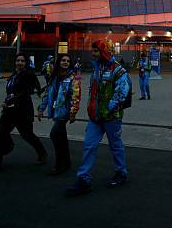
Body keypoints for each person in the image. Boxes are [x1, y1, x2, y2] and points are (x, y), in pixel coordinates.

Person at [66, 40, 130, 196]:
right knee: (89, 145)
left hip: (111, 117)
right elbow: (93, 91)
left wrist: (108, 108)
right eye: (93, 51)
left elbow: (122, 92)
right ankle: (84, 179)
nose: (93, 54)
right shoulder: (96, 69)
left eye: (95, 51)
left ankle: (121, 172)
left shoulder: (118, 70)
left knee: (115, 146)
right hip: (95, 117)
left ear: (104, 51)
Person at [0, 53, 47, 174]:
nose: (20, 63)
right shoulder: (14, 75)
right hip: (10, 110)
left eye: (22, 61)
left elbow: (27, 91)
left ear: (26, 63)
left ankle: (42, 154)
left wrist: (13, 99)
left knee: (27, 135)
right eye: (18, 61)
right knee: (0, 133)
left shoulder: (28, 75)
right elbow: (11, 92)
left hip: (23, 111)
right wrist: (7, 102)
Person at [38, 54, 81, 175]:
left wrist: (73, 112)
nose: (65, 62)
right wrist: (41, 109)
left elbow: (76, 96)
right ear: (59, 62)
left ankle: (59, 164)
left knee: (54, 134)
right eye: (63, 60)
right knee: (61, 137)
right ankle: (66, 162)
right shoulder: (54, 76)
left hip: (65, 111)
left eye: (68, 61)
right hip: (56, 110)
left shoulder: (75, 77)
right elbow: (48, 94)